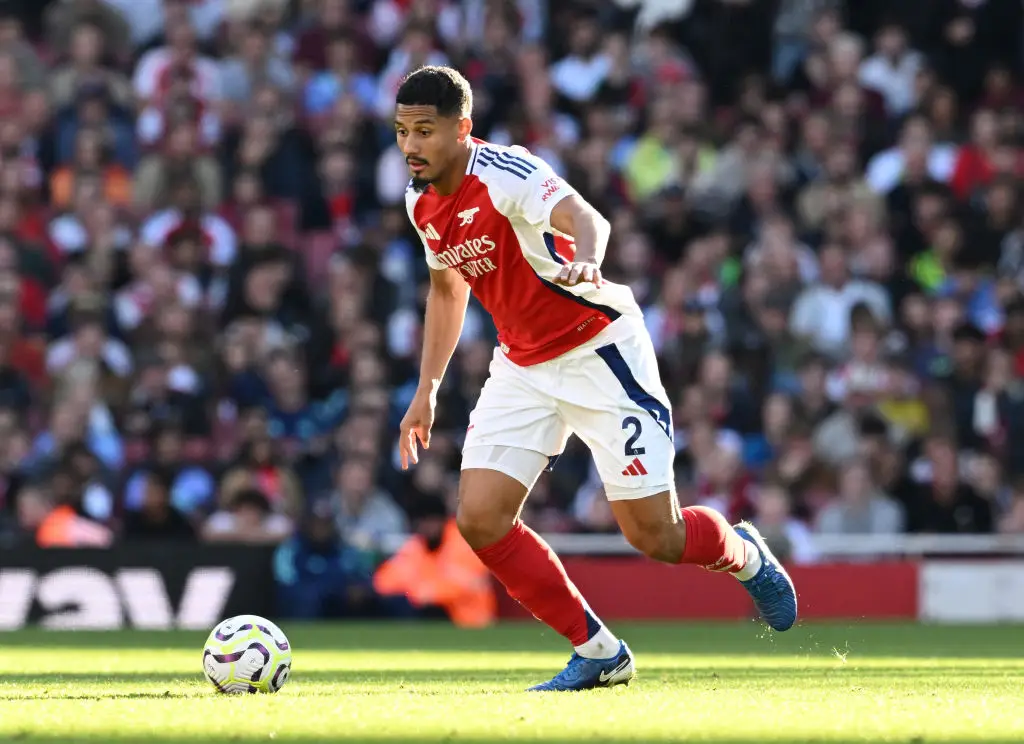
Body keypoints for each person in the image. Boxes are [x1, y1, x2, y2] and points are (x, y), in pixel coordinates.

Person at [394, 66, 798, 692]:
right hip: (523, 365)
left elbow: (588, 218)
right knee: (479, 519)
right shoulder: (420, 203)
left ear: (461, 129)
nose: (411, 145)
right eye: (401, 131)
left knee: (655, 536)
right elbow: (448, 290)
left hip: (598, 351)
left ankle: (743, 554)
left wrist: (586, 256)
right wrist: (427, 390)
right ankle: (599, 651)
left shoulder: (504, 173)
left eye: (424, 130)